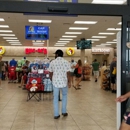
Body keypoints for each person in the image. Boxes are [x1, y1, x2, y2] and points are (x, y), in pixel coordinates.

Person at [48, 49, 71, 119]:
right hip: (64, 82)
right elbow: (68, 73)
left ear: (57, 55)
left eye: (55, 54)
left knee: (55, 98)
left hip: (55, 82)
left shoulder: (52, 62)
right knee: (64, 96)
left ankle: (56, 114)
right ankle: (64, 111)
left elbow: (50, 73)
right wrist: (69, 82)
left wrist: (52, 79)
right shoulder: (66, 62)